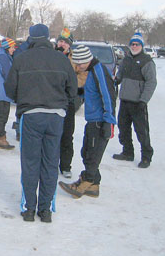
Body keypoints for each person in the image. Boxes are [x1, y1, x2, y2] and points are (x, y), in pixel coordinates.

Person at [4, 23, 77, 223]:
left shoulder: (21, 59)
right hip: (55, 117)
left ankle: (29, 209)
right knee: (50, 162)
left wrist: (23, 99)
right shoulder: (61, 60)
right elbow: (73, 90)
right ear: (48, 38)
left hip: (31, 115)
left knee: (30, 162)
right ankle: (45, 211)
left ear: (31, 38)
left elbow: (9, 89)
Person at [59, 45, 116, 198]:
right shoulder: (92, 71)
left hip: (100, 121)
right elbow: (91, 91)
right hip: (92, 119)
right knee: (86, 151)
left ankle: (84, 182)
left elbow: (108, 96)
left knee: (92, 154)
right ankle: (94, 185)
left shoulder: (99, 71)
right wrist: (77, 92)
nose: (78, 67)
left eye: (79, 64)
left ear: (86, 60)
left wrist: (108, 121)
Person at [112, 32, 157, 168]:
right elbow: (120, 75)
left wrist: (143, 100)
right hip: (125, 101)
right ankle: (127, 152)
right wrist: (116, 80)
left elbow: (151, 83)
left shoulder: (146, 61)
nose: (134, 46)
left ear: (141, 46)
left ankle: (146, 157)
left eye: (137, 44)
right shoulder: (126, 59)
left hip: (138, 103)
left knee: (142, 131)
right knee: (123, 127)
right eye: (132, 44)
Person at [54, 28, 89, 178]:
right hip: (53, 100)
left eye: (64, 42)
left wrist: (71, 84)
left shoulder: (75, 59)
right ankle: (51, 163)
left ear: (69, 45)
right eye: (60, 41)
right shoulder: (51, 56)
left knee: (67, 135)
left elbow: (83, 76)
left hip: (68, 101)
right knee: (52, 135)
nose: (61, 44)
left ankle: (66, 165)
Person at [0, 38, 16, 149]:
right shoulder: (4, 58)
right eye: (12, 47)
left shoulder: (0, 55)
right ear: (7, 47)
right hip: (3, 91)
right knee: (3, 115)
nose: (14, 49)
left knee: (0, 114)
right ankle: (0, 137)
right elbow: (8, 75)